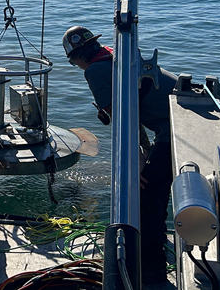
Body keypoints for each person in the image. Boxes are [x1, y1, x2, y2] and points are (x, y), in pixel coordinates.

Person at [63, 25, 176, 284]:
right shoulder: (115, 53)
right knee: (153, 186)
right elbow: (133, 107)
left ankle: (151, 267)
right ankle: (155, 240)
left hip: (172, 126)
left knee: (146, 192)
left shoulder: (93, 70)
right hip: (179, 112)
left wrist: (135, 161)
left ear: (78, 59)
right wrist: (146, 151)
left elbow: (123, 117)